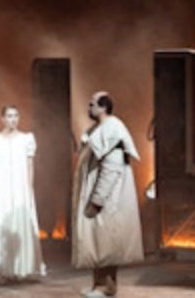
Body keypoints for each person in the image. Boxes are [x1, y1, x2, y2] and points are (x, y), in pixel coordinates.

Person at [72, 92, 144, 297]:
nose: (88, 108)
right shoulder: (99, 128)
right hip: (97, 193)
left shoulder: (113, 128)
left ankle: (107, 287)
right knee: (96, 240)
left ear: (103, 107)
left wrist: (97, 200)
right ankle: (97, 284)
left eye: (92, 104)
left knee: (107, 242)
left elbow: (112, 168)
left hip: (108, 198)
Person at [0, 105, 46, 283]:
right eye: (9, 116)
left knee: (19, 224)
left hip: (20, 188)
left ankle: (20, 268)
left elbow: (30, 166)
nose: (13, 119)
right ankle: (2, 270)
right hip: (1, 188)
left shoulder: (26, 139)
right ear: (2, 119)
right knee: (2, 223)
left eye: (16, 115)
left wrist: (29, 190)